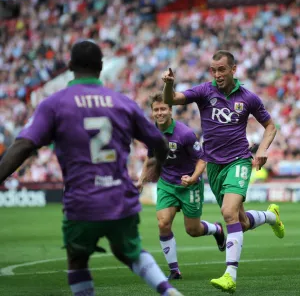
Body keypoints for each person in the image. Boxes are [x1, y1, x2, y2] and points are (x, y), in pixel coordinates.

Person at [0, 40, 183, 296]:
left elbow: (23, 145)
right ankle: (167, 291)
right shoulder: (122, 102)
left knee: (77, 260)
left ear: (70, 66)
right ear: (101, 67)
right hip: (120, 197)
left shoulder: (54, 104)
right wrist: (159, 165)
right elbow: (159, 143)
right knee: (130, 251)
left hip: (81, 200)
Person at [161, 50, 285, 293]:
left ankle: (230, 275)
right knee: (240, 221)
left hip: (238, 161)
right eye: (213, 70)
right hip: (214, 165)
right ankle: (271, 216)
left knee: (228, 213)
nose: (217, 74)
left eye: (221, 69)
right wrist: (169, 85)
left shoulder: (248, 98)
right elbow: (171, 100)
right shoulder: (204, 92)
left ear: (233, 69)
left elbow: (270, 126)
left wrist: (262, 149)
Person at [137, 93, 226, 280]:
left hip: (189, 185)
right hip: (167, 183)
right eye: (156, 109)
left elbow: (202, 159)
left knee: (193, 231)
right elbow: (151, 157)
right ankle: (174, 270)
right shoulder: (151, 132)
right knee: (163, 223)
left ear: (170, 110)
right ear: (152, 112)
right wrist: (141, 179)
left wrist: (193, 178)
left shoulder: (184, 134)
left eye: (163, 109)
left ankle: (216, 229)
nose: (159, 112)